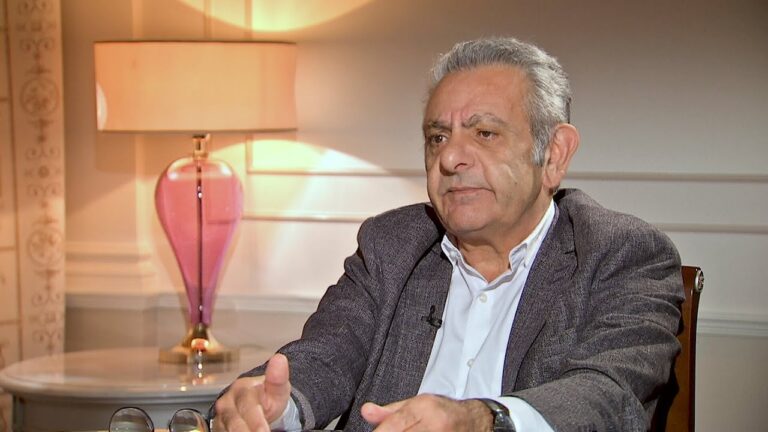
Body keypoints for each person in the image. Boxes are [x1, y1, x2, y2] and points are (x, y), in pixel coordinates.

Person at [213, 37, 684, 432]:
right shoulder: (392, 244)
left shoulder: (620, 253)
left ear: (554, 154)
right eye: (437, 137)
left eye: (484, 134)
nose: (450, 158)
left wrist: (482, 419)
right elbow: (327, 355)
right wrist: (277, 406)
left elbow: (609, 396)